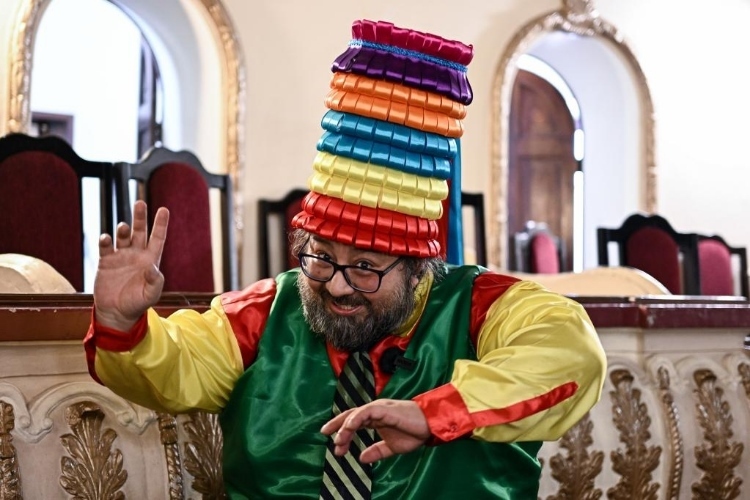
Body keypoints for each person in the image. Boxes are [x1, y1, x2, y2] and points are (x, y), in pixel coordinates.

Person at [84, 19, 607, 499]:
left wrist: (437, 413)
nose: (336, 286)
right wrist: (122, 324)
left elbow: (570, 356)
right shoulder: (265, 312)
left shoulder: (484, 307)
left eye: (365, 267)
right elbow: (179, 362)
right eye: (321, 257)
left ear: (417, 266)